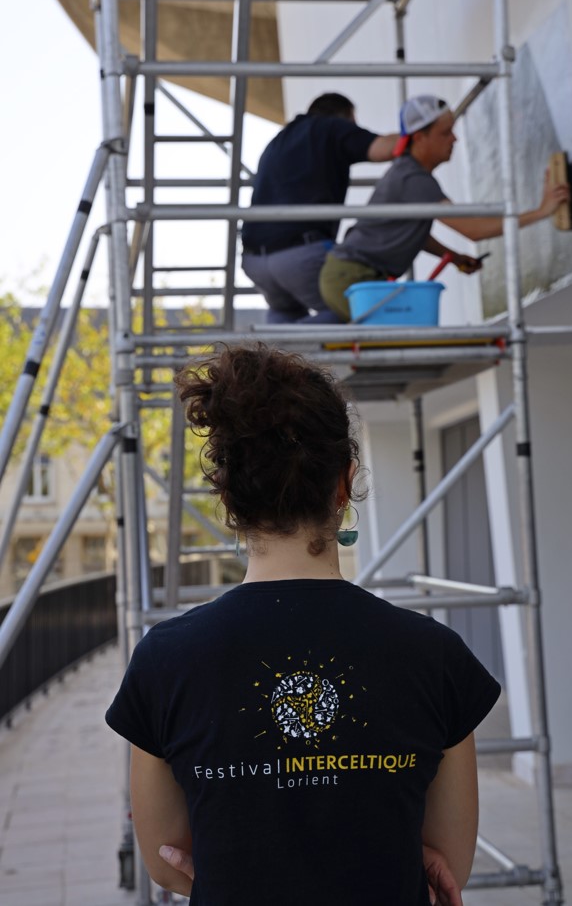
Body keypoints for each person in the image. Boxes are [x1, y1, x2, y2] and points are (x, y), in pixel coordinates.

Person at [106, 344, 501, 905]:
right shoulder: (433, 654)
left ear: (228, 494)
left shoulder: (164, 660)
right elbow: (448, 864)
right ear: (344, 483)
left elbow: (167, 861)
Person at [319, 94, 571, 320]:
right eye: (445, 132)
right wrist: (541, 212)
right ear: (420, 137)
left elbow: (410, 232)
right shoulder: (414, 179)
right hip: (352, 277)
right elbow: (474, 230)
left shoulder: (408, 173)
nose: (454, 139)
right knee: (400, 339)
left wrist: (453, 257)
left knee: (396, 338)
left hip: (349, 275)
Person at [241, 92, 400, 323]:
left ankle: (273, 341)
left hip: (255, 260)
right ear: (345, 116)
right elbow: (385, 148)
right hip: (300, 254)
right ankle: (290, 341)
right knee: (357, 310)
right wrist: (421, 133)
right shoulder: (330, 127)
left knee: (285, 313)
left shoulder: (279, 140)